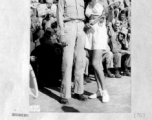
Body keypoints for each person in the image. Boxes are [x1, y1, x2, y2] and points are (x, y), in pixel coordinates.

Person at [57, 0, 87, 104]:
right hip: (68, 27)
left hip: (81, 27)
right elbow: (59, 14)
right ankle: (65, 94)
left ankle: (79, 91)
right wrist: (61, 33)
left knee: (80, 61)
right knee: (67, 62)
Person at [85, 0, 110, 102]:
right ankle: (99, 89)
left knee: (95, 63)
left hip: (99, 31)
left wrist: (103, 20)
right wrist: (86, 24)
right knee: (95, 63)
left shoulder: (103, 1)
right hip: (90, 32)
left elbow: (108, 16)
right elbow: (86, 18)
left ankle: (104, 91)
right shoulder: (87, 1)